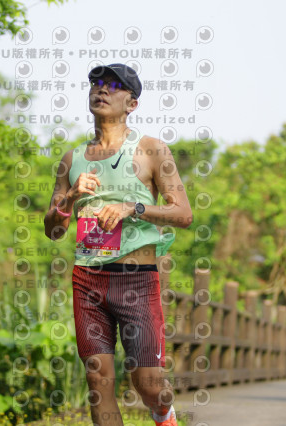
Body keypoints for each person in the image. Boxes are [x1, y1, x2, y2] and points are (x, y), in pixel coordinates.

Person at [44, 63, 193, 426]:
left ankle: (164, 413)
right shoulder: (71, 160)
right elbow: (53, 230)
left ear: (132, 103)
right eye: (97, 83)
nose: (102, 89)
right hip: (88, 279)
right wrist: (69, 199)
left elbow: (183, 213)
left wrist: (133, 208)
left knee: (149, 384)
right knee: (98, 380)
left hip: (137, 279)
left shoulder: (151, 150)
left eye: (113, 86)